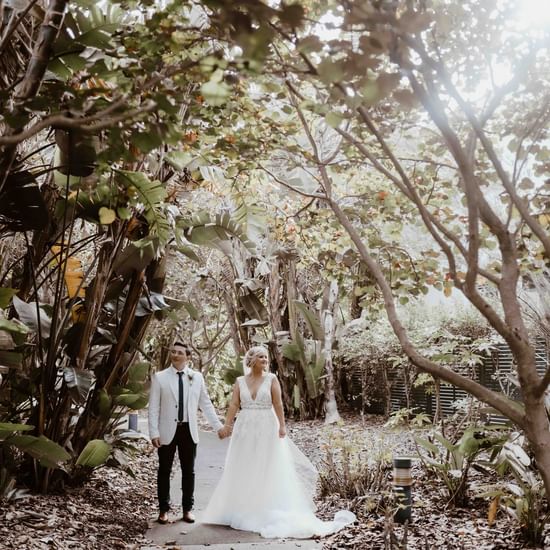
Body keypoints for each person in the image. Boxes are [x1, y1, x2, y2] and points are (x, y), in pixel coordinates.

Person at [202, 346, 356, 538]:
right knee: (245, 464)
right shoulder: (240, 381)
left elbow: (278, 403)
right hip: (245, 427)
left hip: (267, 425)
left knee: (267, 464)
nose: (265, 360)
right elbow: (234, 404)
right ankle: (241, 506)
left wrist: (282, 426)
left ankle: (266, 505)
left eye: (266, 357)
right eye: (261, 357)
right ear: (251, 361)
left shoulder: (271, 379)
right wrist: (227, 425)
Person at [148, 341, 225, 524]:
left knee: (188, 472)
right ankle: (163, 510)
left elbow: (205, 403)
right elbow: (153, 407)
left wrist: (218, 427)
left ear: (188, 356)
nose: (175, 355)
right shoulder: (160, 377)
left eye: (179, 352)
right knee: (164, 471)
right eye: (173, 351)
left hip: (188, 431)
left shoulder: (196, 377)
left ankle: (187, 509)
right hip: (167, 431)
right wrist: (153, 432)